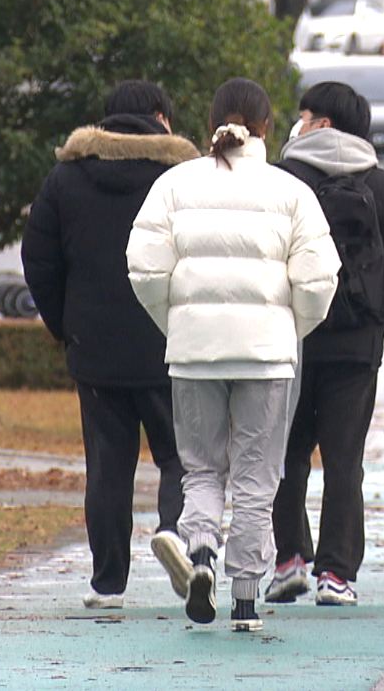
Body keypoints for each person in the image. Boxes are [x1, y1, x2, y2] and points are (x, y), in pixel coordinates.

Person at [126, 78, 340, 632]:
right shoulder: (291, 193)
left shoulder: (175, 186)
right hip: (266, 356)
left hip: (195, 352)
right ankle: (246, 600)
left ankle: (200, 554)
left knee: (200, 468)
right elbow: (318, 279)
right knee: (256, 476)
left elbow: (146, 267)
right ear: (267, 127)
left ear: (211, 120)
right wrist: (291, 329)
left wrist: (177, 322)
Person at [21, 80, 199, 609]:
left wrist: (65, 325)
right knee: (179, 457)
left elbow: (39, 261)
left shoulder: (66, 179)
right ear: (160, 117)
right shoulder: (180, 179)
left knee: (107, 466)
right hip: (169, 344)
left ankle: (108, 583)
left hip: (94, 347)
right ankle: (176, 534)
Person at [265, 82, 384, 607]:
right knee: (345, 459)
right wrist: (371, 311)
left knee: (285, 454)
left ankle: (288, 560)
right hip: (357, 347)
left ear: (324, 124)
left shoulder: (283, 183)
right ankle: (337, 574)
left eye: (305, 115)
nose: (299, 122)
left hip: (290, 341)